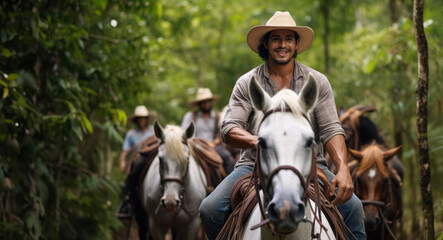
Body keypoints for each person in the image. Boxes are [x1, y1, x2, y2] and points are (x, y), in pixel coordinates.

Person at [199, 11, 366, 240]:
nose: (282, 44)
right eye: (276, 38)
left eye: (289, 38)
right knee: (209, 210)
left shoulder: (317, 82)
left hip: (309, 163)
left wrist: (343, 168)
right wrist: (261, 142)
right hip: (254, 164)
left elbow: (331, 130)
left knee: (354, 209)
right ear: (266, 44)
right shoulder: (247, 83)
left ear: (296, 44)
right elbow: (229, 128)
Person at [181, 88, 234, 174]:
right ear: (199, 104)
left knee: (226, 156)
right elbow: (184, 134)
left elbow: (222, 132)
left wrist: (215, 142)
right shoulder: (190, 116)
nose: (206, 104)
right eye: (203, 102)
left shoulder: (218, 116)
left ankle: (231, 184)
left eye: (208, 101)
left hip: (214, 146)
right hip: (195, 147)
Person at [117, 105, 154, 219]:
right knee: (132, 175)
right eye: (139, 119)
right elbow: (125, 151)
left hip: (152, 158)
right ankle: (128, 200)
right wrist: (122, 162)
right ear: (136, 120)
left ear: (147, 119)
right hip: (138, 160)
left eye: (143, 118)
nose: (142, 121)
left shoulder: (153, 131)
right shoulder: (131, 134)